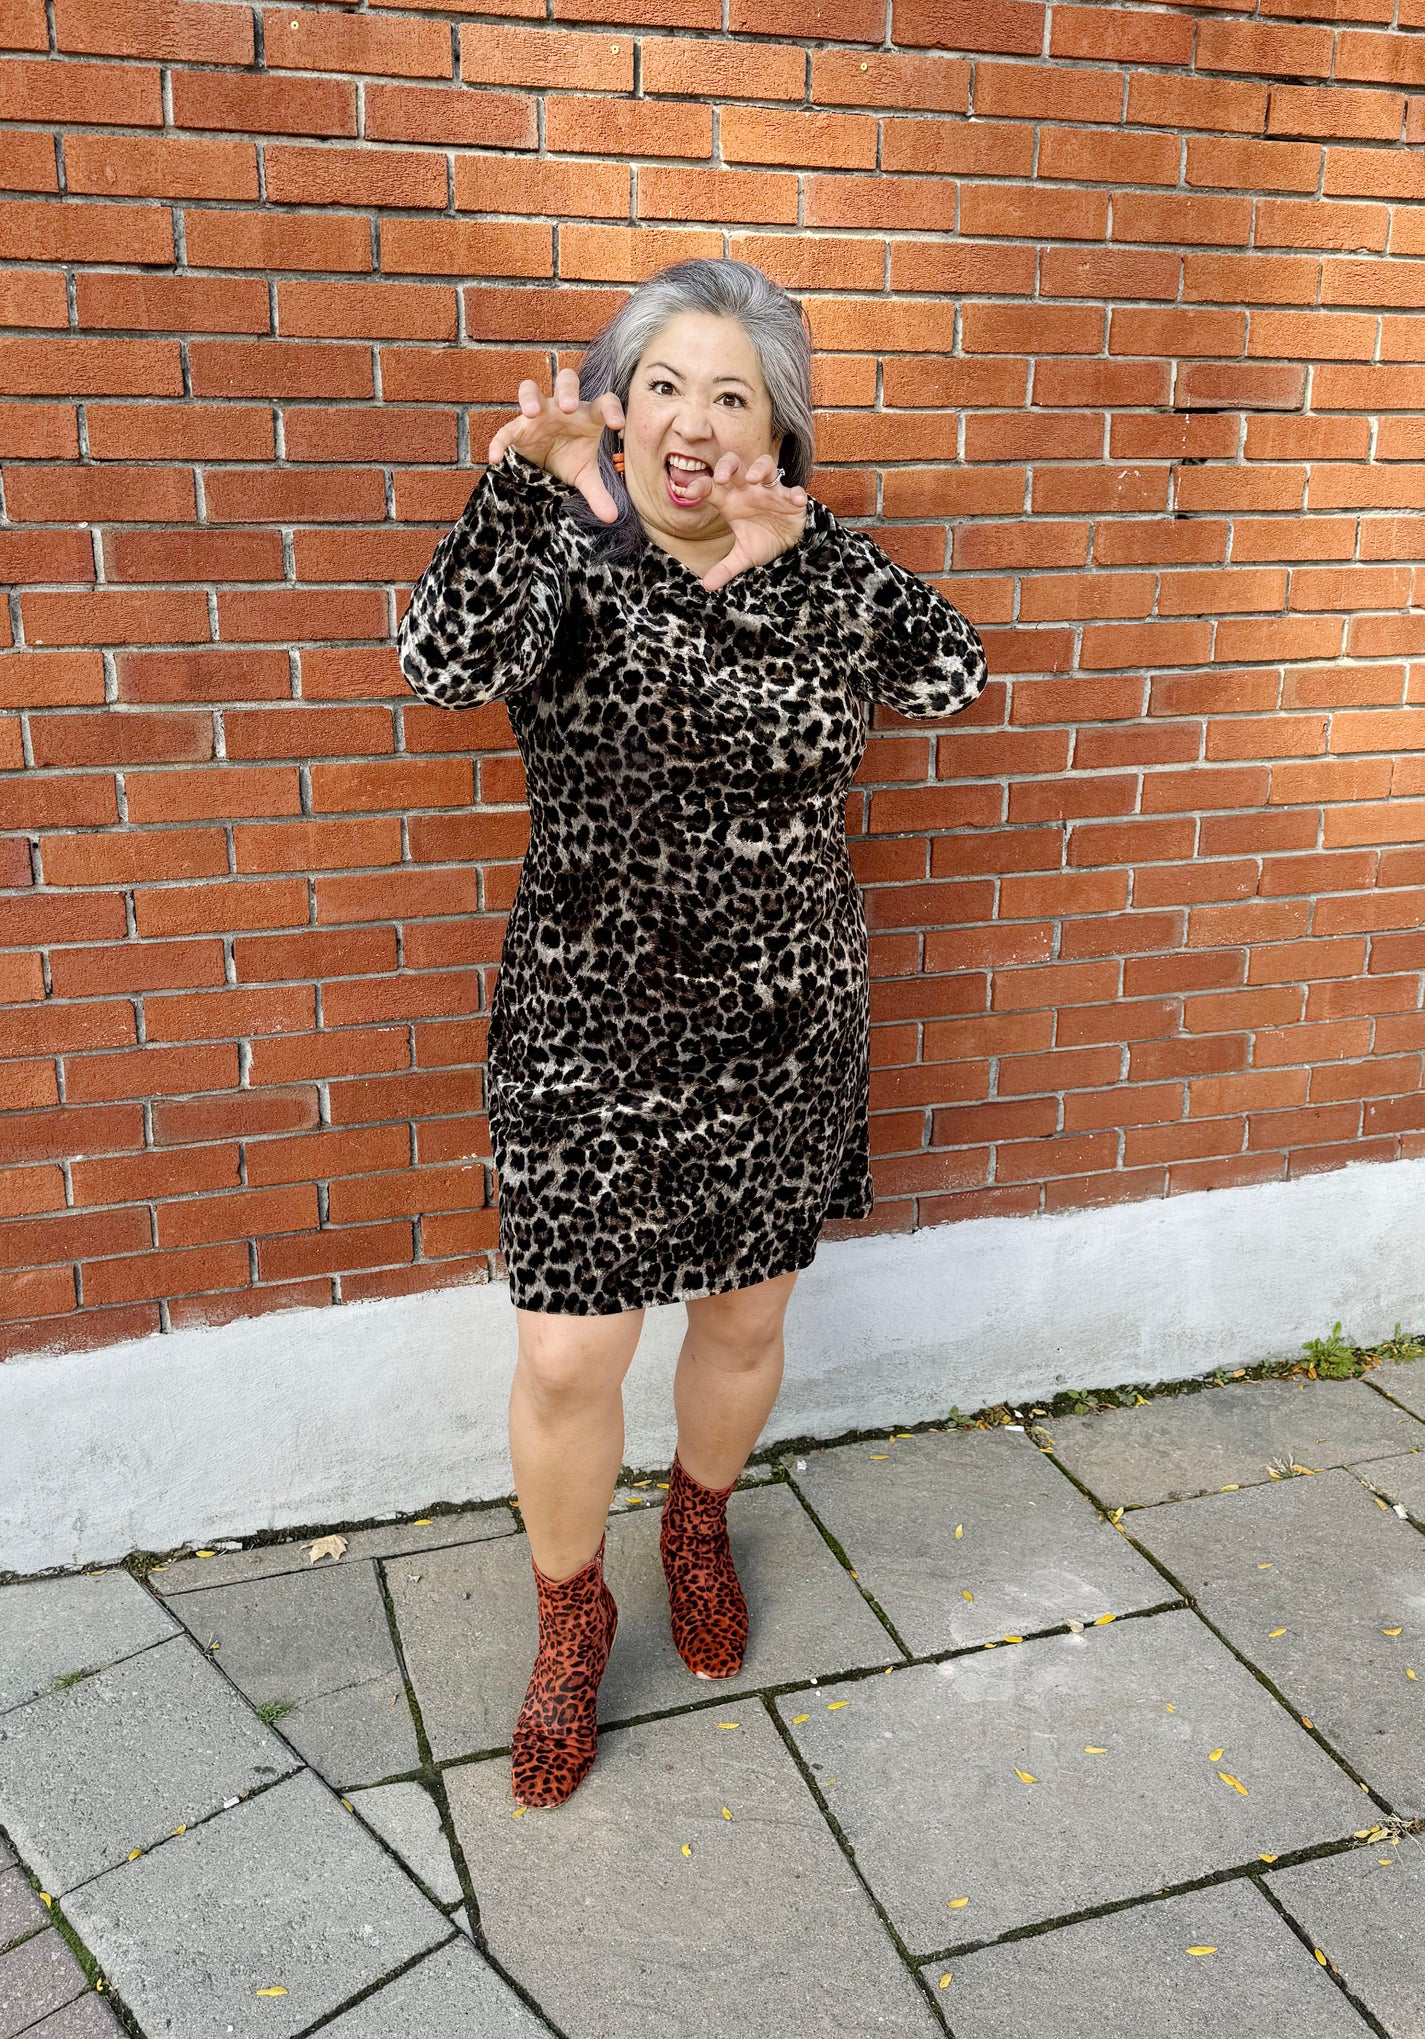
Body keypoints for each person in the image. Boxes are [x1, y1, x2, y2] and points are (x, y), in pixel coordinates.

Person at [397, 258, 988, 1809]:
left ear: (775, 434)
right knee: (567, 1344)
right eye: (664, 384)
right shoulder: (563, 555)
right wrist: (514, 494)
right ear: (618, 407)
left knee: (737, 1318)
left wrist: (808, 562)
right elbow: (442, 666)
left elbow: (949, 670)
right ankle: (571, 1613)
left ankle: (696, 1521)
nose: (695, 419)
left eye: (734, 395)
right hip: (588, 1018)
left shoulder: (816, 567)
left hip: (781, 1016)